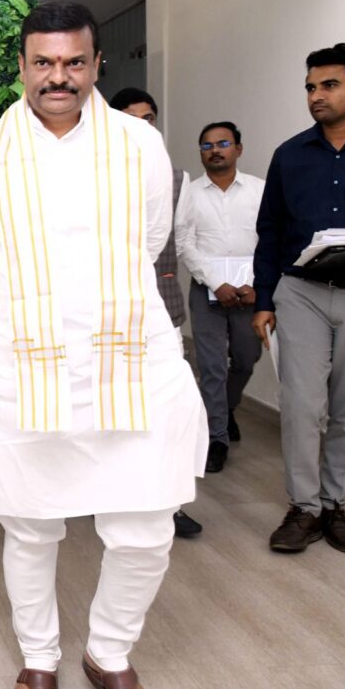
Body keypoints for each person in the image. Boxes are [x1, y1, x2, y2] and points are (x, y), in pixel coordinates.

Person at [0, 2, 205, 689]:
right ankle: (39, 655)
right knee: (31, 529)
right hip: (26, 367)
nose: (59, 77)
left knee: (146, 529)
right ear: (23, 65)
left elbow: (151, 239)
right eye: (44, 62)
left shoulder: (140, 145)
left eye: (75, 63)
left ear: (96, 65)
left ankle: (110, 652)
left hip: (129, 361)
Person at [253, 42, 345, 555]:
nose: (316, 95)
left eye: (329, 85)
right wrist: (264, 300)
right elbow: (270, 230)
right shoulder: (290, 154)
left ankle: (334, 504)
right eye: (310, 87)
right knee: (303, 406)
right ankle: (304, 508)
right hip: (301, 292)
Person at [110, 86, 203, 539]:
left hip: (160, 306)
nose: (140, 126)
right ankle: (110, 495)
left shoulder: (177, 178)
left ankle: (169, 503)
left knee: (164, 411)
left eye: (148, 118)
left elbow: (177, 238)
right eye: (130, 117)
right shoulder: (92, 173)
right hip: (105, 314)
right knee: (115, 410)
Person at [176, 122, 265, 473]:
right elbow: (184, 242)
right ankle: (216, 438)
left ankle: (227, 407)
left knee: (245, 358)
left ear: (238, 149)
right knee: (212, 366)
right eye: (207, 145)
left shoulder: (260, 191)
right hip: (207, 291)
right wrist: (216, 282)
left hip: (251, 291)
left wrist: (255, 283)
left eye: (223, 143)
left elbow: (271, 239)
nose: (215, 150)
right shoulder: (190, 194)